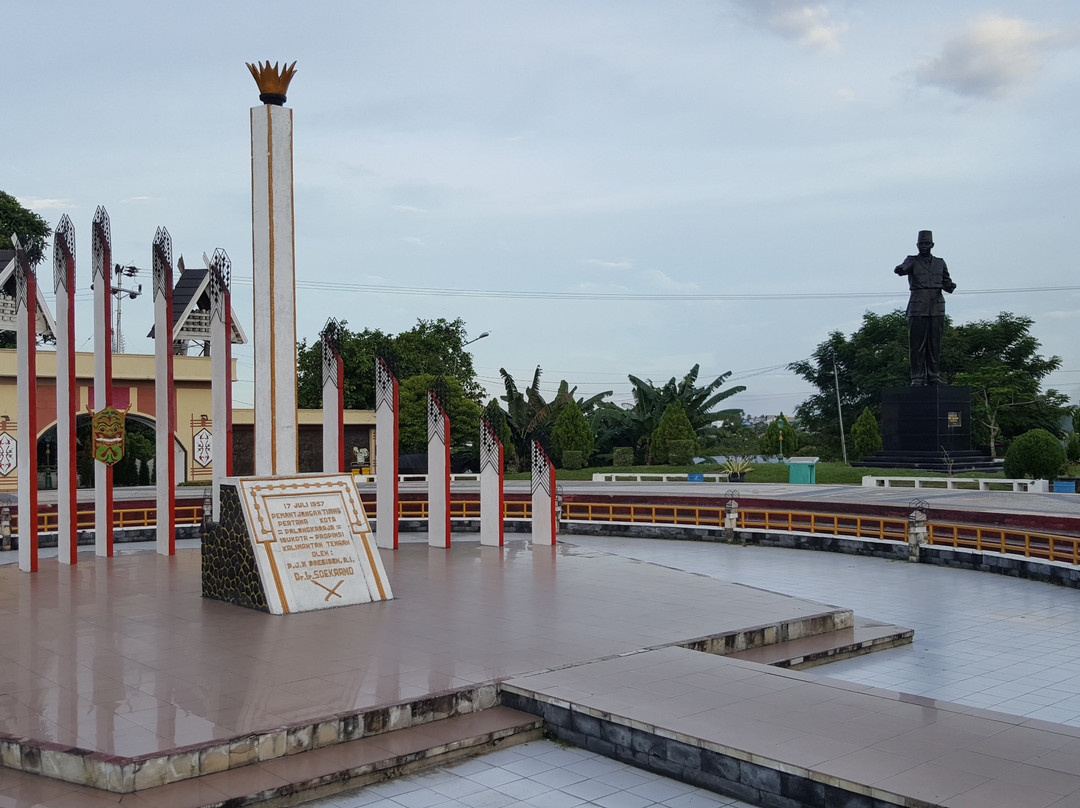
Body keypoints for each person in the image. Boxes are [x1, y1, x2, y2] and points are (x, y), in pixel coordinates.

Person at [894, 230, 956, 386]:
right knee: (917, 344)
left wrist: (950, 286)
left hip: (936, 306)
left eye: (926, 243)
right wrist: (900, 269)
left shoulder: (940, 262)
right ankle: (917, 377)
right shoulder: (912, 260)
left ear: (932, 245)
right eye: (921, 244)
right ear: (917, 245)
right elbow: (903, 268)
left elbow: (946, 282)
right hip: (918, 306)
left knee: (934, 344)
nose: (923, 246)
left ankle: (933, 376)